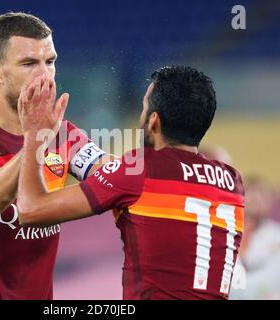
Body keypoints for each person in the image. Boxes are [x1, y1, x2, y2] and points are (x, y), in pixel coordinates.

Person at [17, 66, 245, 299]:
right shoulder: (232, 182)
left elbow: (31, 210)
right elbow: (112, 172)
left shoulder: (140, 171)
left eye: (144, 108)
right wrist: (62, 133)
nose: (140, 117)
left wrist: (34, 135)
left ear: (154, 121)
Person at [0, 12, 110, 300]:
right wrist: (35, 142)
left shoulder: (62, 134)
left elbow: (111, 177)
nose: (44, 75)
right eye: (29, 64)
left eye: (50, 62)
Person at [229, 176, 280, 300]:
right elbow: (240, 291)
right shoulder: (230, 234)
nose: (256, 204)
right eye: (251, 198)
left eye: (261, 198)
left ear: (271, 201)